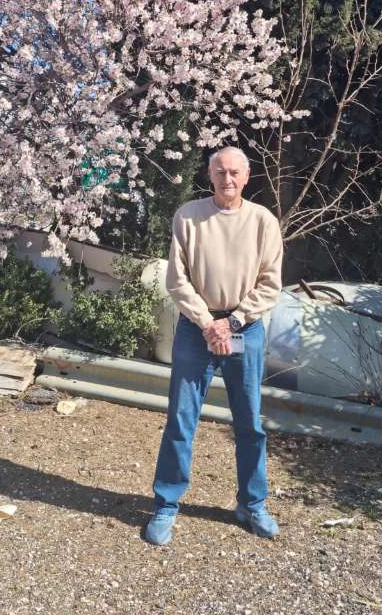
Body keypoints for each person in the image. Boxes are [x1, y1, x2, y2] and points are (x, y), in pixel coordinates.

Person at [144, 146, 284, 546]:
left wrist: (233, 321)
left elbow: (270, 283)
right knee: (181, 419)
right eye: (220, 172)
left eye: (235, 172)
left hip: (245, 330)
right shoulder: (188, 216)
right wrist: (209, 323)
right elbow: (177, 280)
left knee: (249, 422)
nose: (228, 179)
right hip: (197, 330)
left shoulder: (263, 222)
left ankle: (252, 503)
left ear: (247, 176)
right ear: (210, 175)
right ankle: (166, 504)